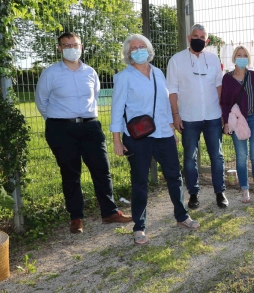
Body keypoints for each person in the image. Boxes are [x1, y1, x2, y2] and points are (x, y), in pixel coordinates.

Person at [35, 32, 132, 234]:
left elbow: (94, 96)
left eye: (75, 44)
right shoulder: (50, 73)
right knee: (71, 174)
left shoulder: (90, 72)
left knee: (102, 170)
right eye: (66, 45)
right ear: (59, 48)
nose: (72, 48)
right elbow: (41, 101)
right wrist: (57, 120)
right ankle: (76, 217)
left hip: (90, 127)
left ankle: (110, 212)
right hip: (61, 129)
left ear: (81, 46)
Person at [110, 34, 200, 245]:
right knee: (140, 182)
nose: (139, 50)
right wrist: (116, 139)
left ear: (149, 49)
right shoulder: (124, 77)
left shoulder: (158, 73)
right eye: (134, 48)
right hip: (138, 137)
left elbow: (164, 103)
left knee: (174, 177)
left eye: (142, 46)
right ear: (128, 53)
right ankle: (139, 226)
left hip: (163, 134)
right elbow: (117, 109)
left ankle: (182, 216)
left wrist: (170, 127)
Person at [167, 24, 227, 209]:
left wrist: (223, 113)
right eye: (195, 36)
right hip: (188, 117)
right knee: (189, 158)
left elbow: (219, 86)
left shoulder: (214, 59)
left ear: (207, 40)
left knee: (217, 156)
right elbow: (172, 90)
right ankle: (193, 194)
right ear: (188, 37)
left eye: (202, 37)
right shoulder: (176, 60)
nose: (198, 40)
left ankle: (220, 192)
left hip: (213, 116)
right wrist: (175, 115)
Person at [220, 46, 254, 203]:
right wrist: (226, 123)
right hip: (237, 121)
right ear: (234, 58)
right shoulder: (227, 78)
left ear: (248, 58)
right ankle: (244, 190)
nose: (242, 57)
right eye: (239, 55)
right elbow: (225, 102)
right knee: (241, 156)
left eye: (244, 55)